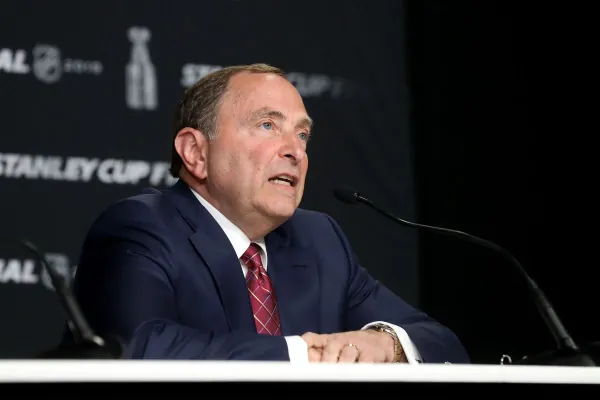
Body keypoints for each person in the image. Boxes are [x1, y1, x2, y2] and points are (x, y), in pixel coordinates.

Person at [66, 63, 469, 364]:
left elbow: (441, 342)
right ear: (196, 152)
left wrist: (386, 343)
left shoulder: (319, 240)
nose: (295, 150)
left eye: (302, 134)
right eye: (267, 126)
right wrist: (304, 355)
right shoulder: (141, 228)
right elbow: (137, 347)